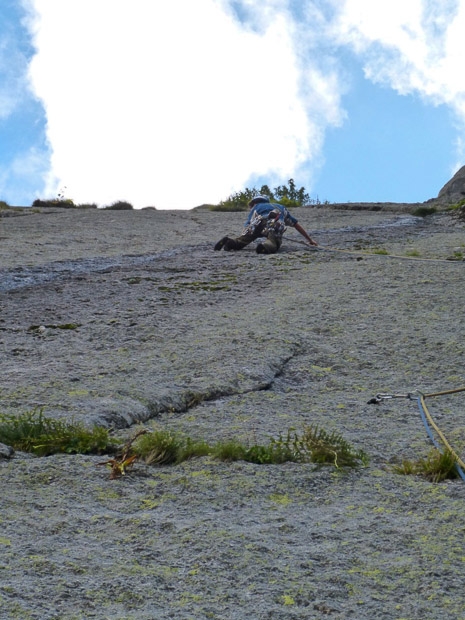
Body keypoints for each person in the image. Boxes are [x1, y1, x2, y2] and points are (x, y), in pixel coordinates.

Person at [214, 195, 318, 254]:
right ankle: (265, 246)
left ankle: (230, 242)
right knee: (273, 240)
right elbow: (296, 224)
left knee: (241, 241)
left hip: (257, 222)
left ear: (255, 202)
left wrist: (246, 235)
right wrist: (310, 240)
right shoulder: (280, 206)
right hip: (274, 222)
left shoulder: (256, 208)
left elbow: (248, 224)